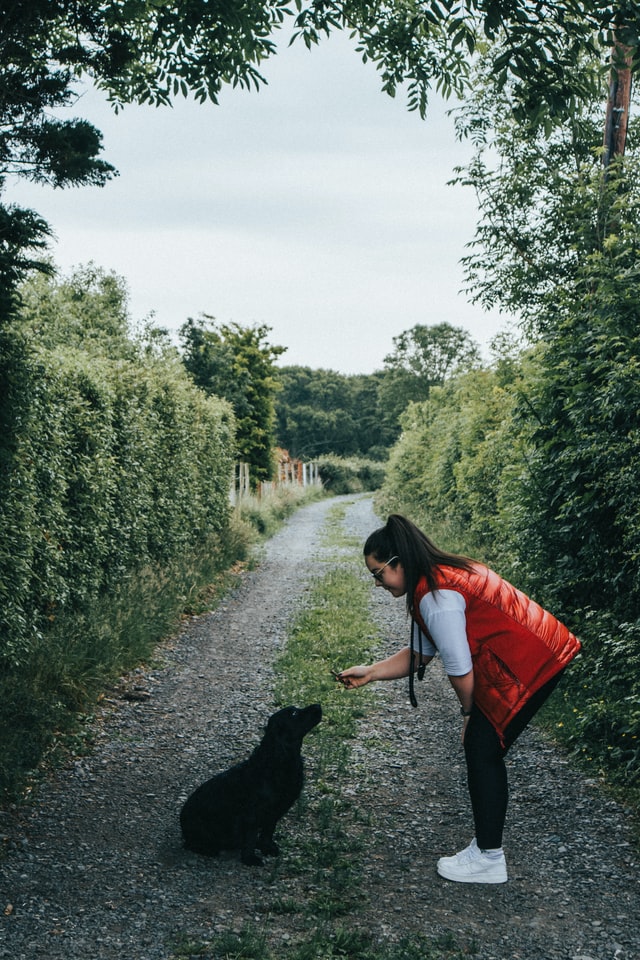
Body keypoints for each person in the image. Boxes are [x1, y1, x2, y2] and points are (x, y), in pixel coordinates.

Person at [336, 514, 581, 884]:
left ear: (398, 562)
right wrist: (370, 671)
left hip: (534, 662)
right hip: (543, 651)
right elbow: (422, 652)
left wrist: (470, 713)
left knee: (482, 747)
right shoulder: (440, 576)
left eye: (378, 573)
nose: (376, 583)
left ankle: (488, 858)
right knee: (483, 747)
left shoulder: (436, 597)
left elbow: (460, 669)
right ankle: (486, 850)